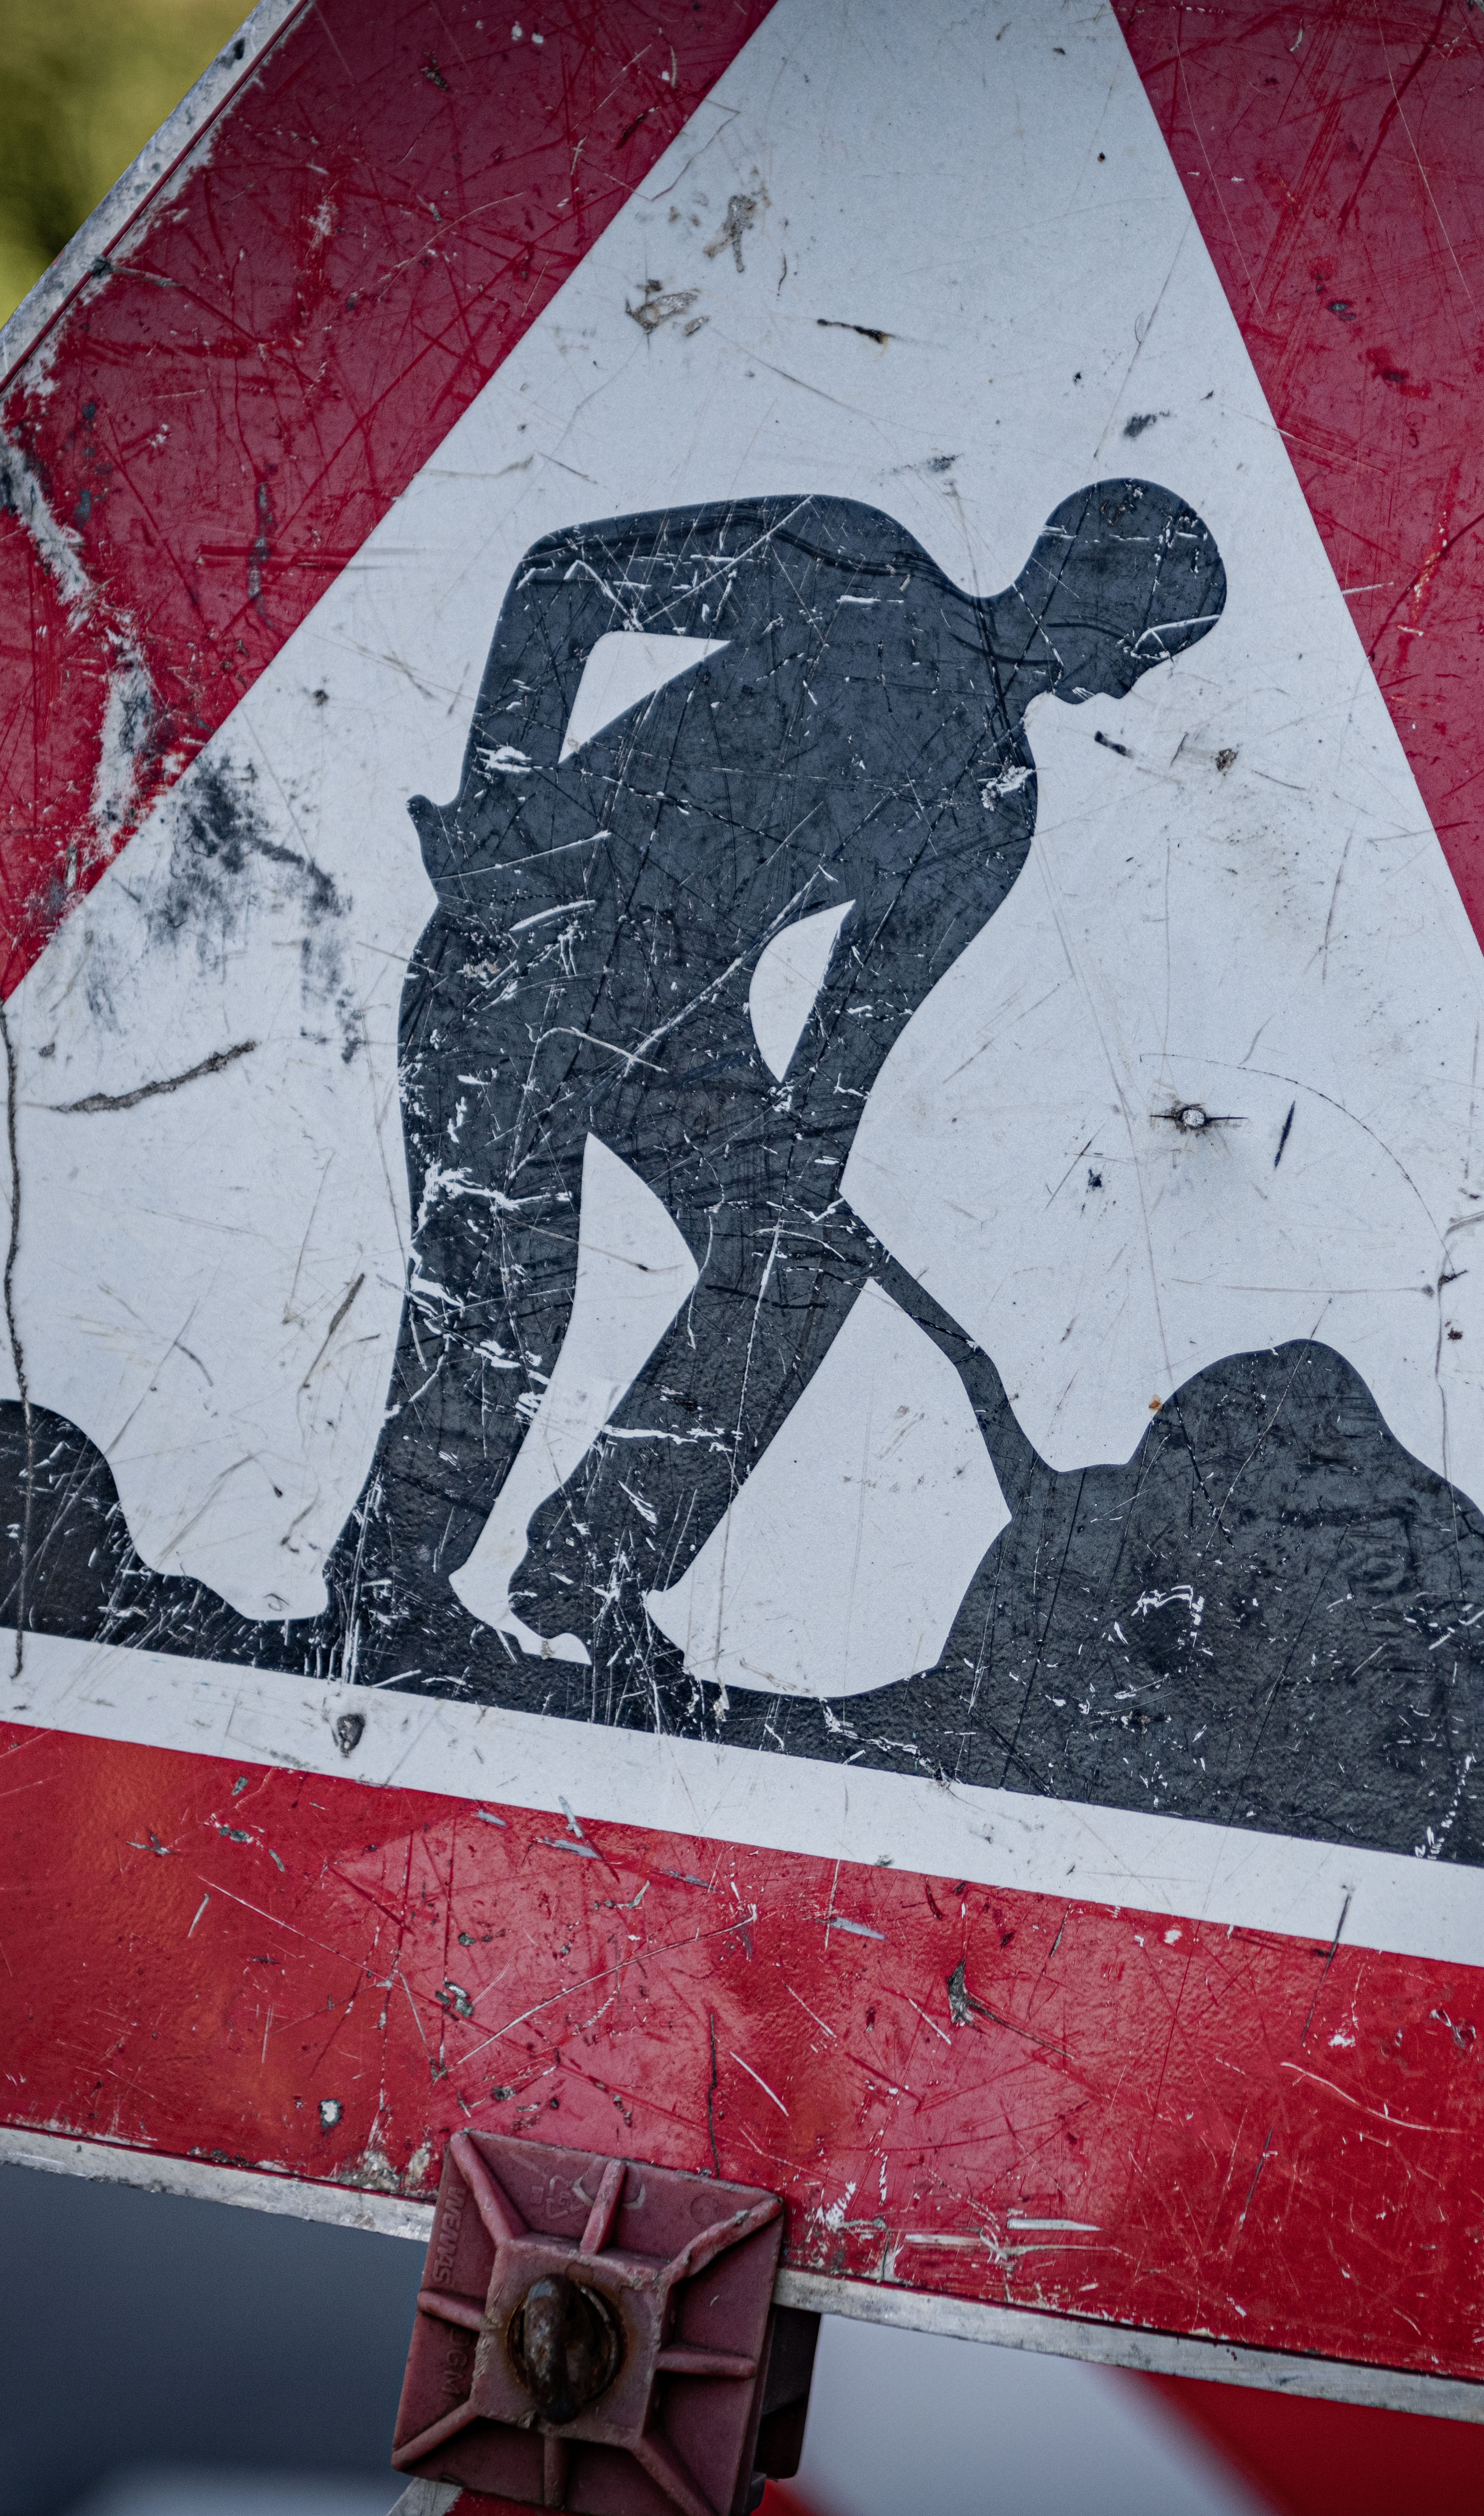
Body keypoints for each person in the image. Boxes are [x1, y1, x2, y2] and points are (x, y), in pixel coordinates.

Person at [333, 481, 1227, 1716]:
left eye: (1157, 662)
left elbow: (840, 1058)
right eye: (1145, 643)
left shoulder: (993, 814)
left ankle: (597, 1570)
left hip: (672, 1026)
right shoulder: (858, 566)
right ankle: (389, 1597)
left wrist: (801, 1184)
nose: (1128, 683)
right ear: (1081, 573)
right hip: (526, 949)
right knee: (512, 1303)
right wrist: (506, 796)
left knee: (797, 1269)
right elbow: (562, 583)